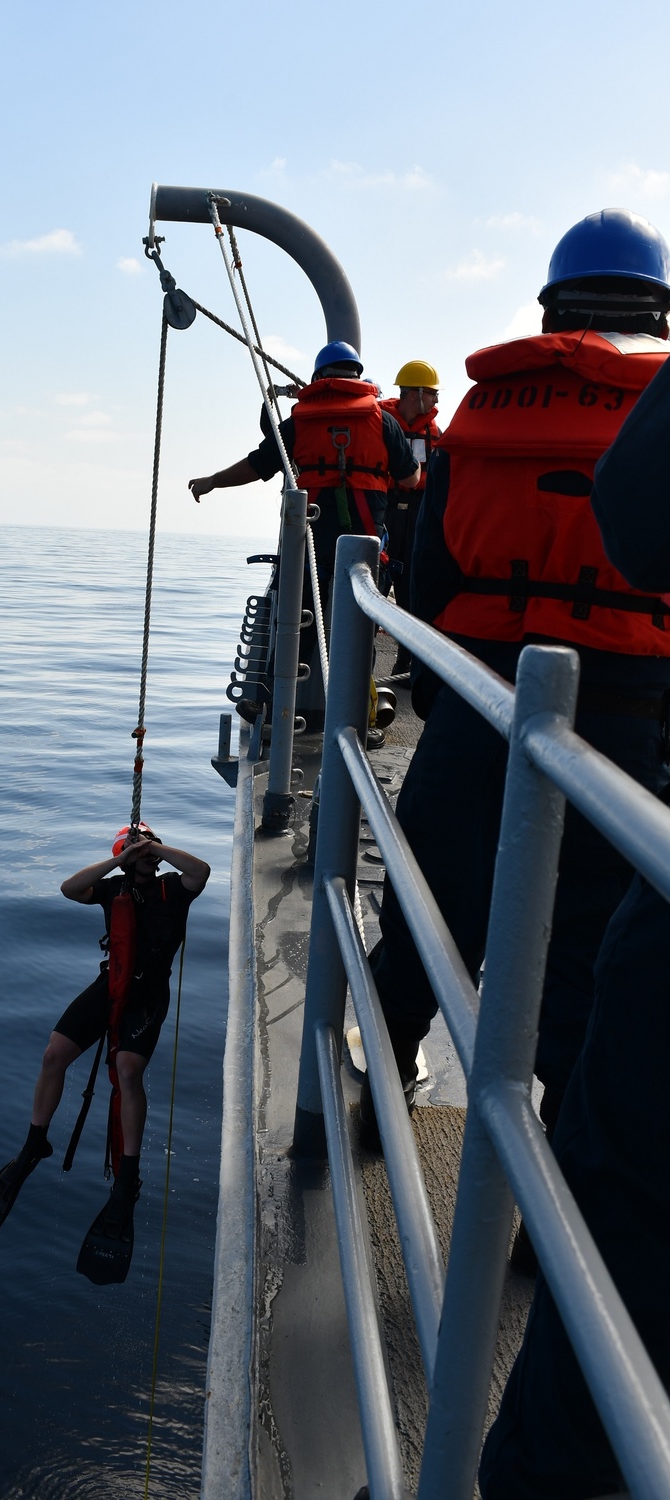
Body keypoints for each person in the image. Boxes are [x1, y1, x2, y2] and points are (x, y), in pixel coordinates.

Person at [362, 209, 670, 1158]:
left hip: (480, 699)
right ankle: (557, 1195)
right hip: (627, 723)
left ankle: (380, 1085)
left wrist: (430, 685)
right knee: (588, 955)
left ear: (551, 302)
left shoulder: (481, 409)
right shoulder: (661, 403)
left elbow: (430, 570)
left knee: (428, 900)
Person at [479, 346, 670, 1499]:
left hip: (517, 704)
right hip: (634, 717)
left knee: (626, 1223)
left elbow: (637, 518)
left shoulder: (476, 429)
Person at [0, 824, 210, 1243]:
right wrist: (120, 860)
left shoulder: (174, 887)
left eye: (149, 845)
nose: (145, 852)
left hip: (148, 995)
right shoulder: (112, 888)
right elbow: (69, 888)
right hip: (110, 985)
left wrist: (155, 847)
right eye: (137, 846)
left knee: (127, 1070)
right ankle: (34, 1144)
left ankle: (127, 1175)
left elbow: (201, 871)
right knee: (53, 1054)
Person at [189, 341, 419, 736]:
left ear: (318, 378)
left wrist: (213, 481)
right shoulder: (382, 421)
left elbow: (258, 464)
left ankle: (269, 701)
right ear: (358, 377)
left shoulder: (300, 421)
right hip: (362, 546)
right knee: (359, 630)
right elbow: (411, 478)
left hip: (309, 543)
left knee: (295, 620)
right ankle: (360, 719)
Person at [380, 360, 442, 673]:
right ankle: (359, 660)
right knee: (376, 581)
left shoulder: (435, 433)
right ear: (415, 394)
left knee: (412, 588)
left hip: (418, 511)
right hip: (385, 508)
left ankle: (406, 661)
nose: (436, 401)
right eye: (432, 394)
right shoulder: (380, 421)